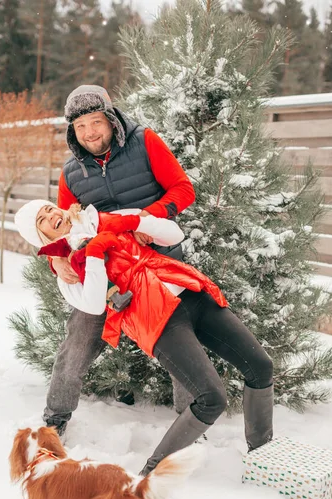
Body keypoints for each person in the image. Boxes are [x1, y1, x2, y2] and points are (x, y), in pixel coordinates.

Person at [15, 200, 274, 476]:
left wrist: (131, 222)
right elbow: (92, 305)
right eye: (42, 219)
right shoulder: (66, 268)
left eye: (49, 208)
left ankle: (262, 459)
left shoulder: (104, 219)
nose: (51, 214)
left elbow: (174, 234)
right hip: (158, 320)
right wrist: (93, 253)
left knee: (260, 367)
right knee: (211, 398)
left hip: (191, 293)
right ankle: (148, 478)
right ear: (41, 236)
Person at [39, 84, 196, 437]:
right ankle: (54, 421)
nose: (89, 133)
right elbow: (65, 229)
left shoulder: (144, 143)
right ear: (72, 131)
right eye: (80, 127)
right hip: (103, 273)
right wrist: (57, 262)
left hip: (155, 260)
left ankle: (192, 423)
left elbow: (183, 190)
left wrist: (145, 221)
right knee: (77, 343)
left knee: (180, 343)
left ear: (111, 119)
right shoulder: (71, 172)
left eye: (95, 122)